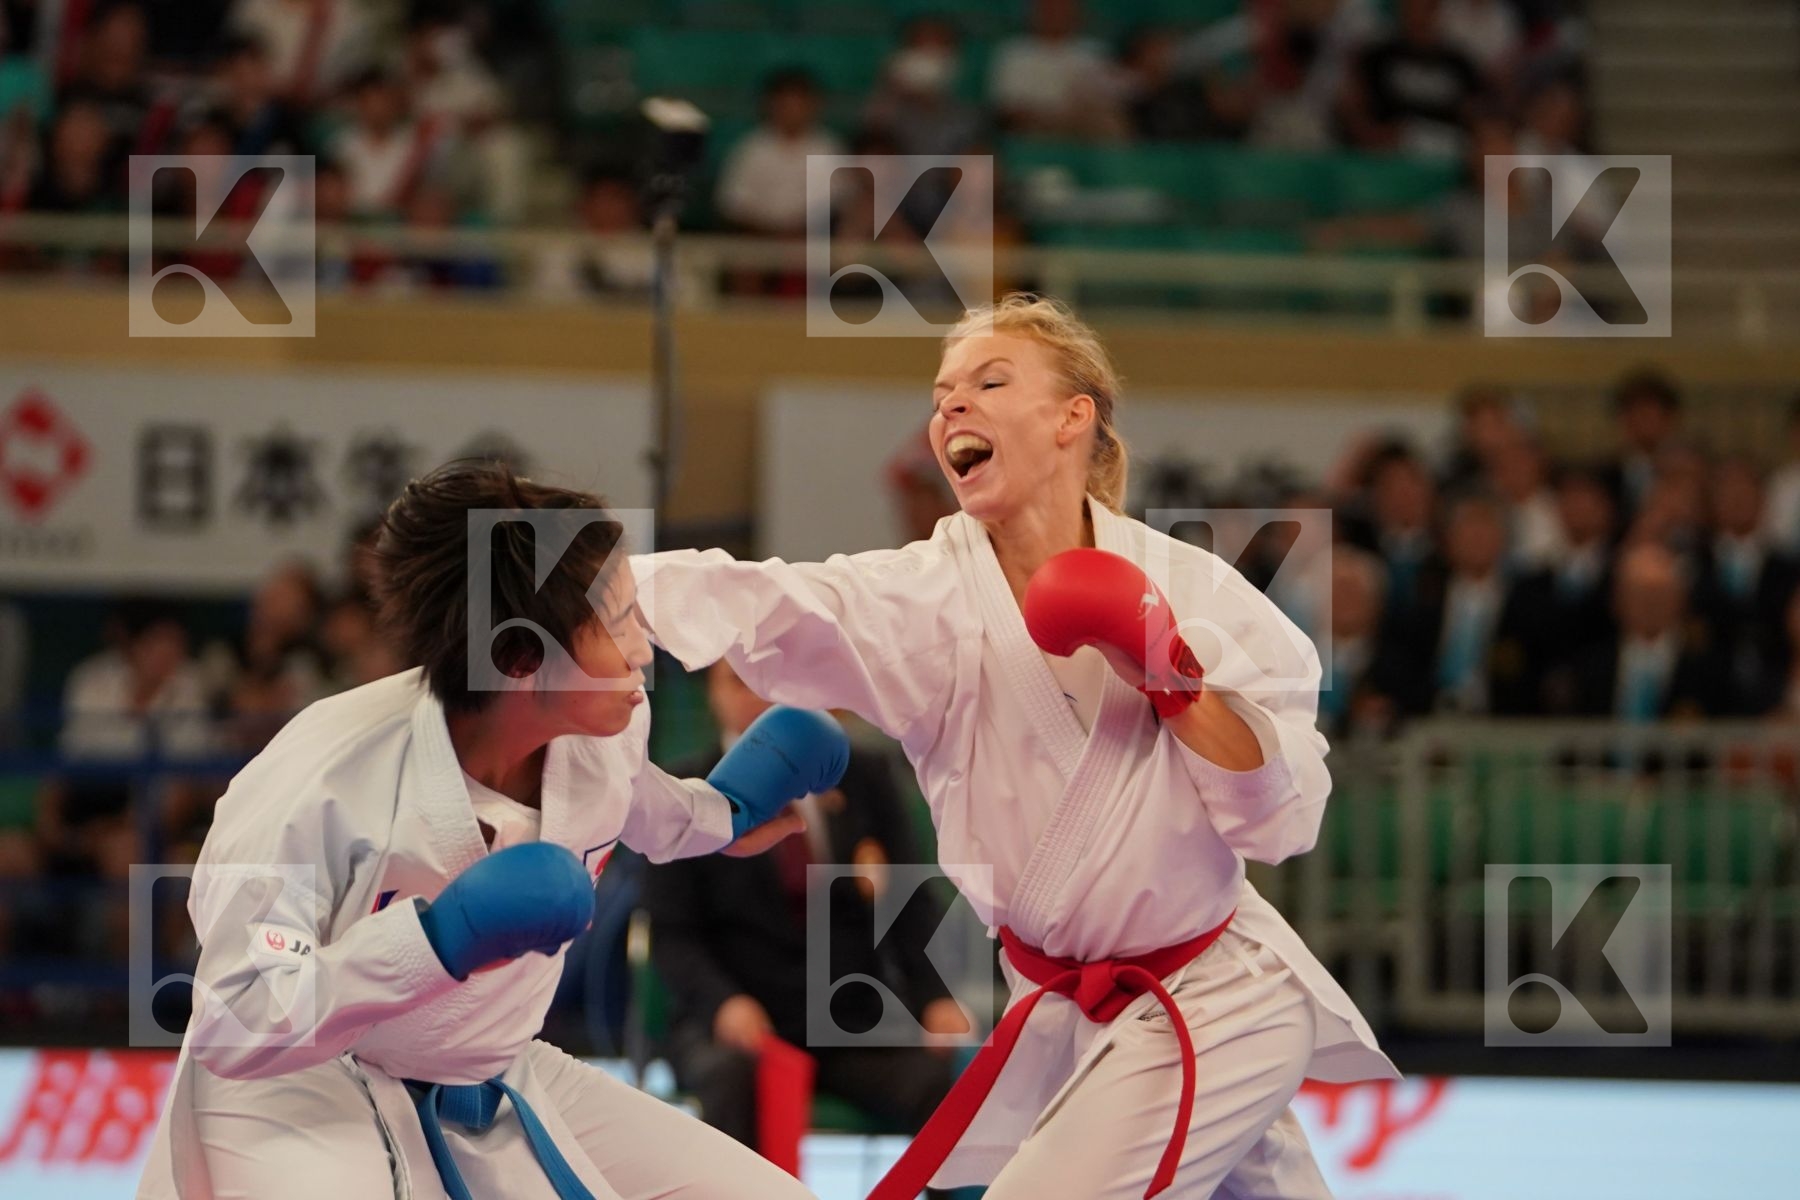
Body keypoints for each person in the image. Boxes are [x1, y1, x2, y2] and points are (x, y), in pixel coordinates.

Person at [633, 294, 1395, 1199]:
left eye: (990, 382)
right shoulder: (927, 598)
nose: (953, 405)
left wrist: (1174, 676)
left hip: (1214, 997)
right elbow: (778, 600)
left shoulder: (1194, 591)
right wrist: (588, 588)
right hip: (1067, 1015)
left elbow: (1279, 822)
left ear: (1075, 417)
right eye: (942, 392)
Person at [137, 460, 843, 1200]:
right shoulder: (320, 781)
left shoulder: (607, 734)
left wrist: (726, 812)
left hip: (492, 1073)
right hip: (300, 1091)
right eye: (617, 623)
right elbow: (237, 1018)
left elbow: (647, 811)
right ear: (519, 659)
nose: (643, 649)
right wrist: (437, 941)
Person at [645, 659, 961, 1157]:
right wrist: (725, 1004)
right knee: (730, 1078)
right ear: (713, 694)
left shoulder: (864, 777)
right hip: (735, 1021)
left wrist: (934, 997)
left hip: (846, 1021)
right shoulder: (680, 790)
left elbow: (907, 902)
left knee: (944, 1086)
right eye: (737, 683)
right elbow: (673, 932)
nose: (757, 699)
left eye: (771, 683)